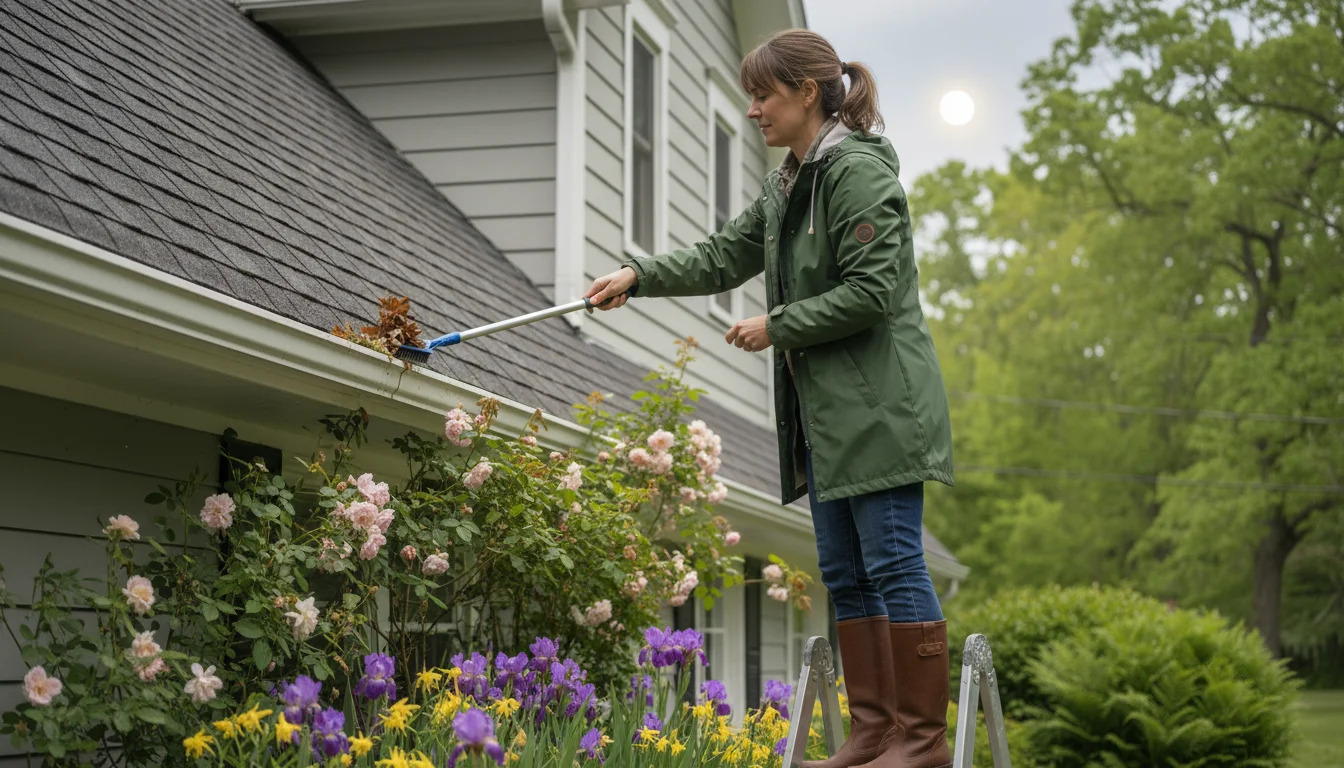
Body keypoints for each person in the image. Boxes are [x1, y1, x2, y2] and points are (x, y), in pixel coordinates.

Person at [586, 27, 954, 768]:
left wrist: (779, 325)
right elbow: (725, 254)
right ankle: (874, 734)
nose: (753, 109)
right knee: (847, 575)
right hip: (824, 420)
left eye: (763, 94)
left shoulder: (856, 172)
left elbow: (874, 291)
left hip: (881, 411)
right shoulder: (788, 182)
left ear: (806, 93)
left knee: (893, 565)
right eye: (751, 96)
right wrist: (640, 275)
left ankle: (923, 742)